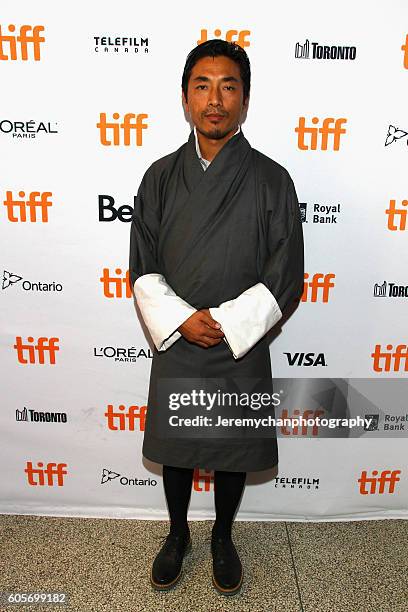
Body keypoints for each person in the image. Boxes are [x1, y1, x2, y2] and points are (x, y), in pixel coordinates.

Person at [129, 39, 304, 596]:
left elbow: (285, 274)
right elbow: (142, 266)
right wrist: (183, 319)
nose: (215, 99)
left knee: (233, 449)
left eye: (229, 86)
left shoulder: (273, 180)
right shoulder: (158, 177)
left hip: (240, 343)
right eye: (202, 86)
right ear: (185, 99)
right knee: (179, 449)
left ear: (245, 101)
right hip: (179, 336)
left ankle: (223, 535)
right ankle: (178, 532)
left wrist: (227, 323)